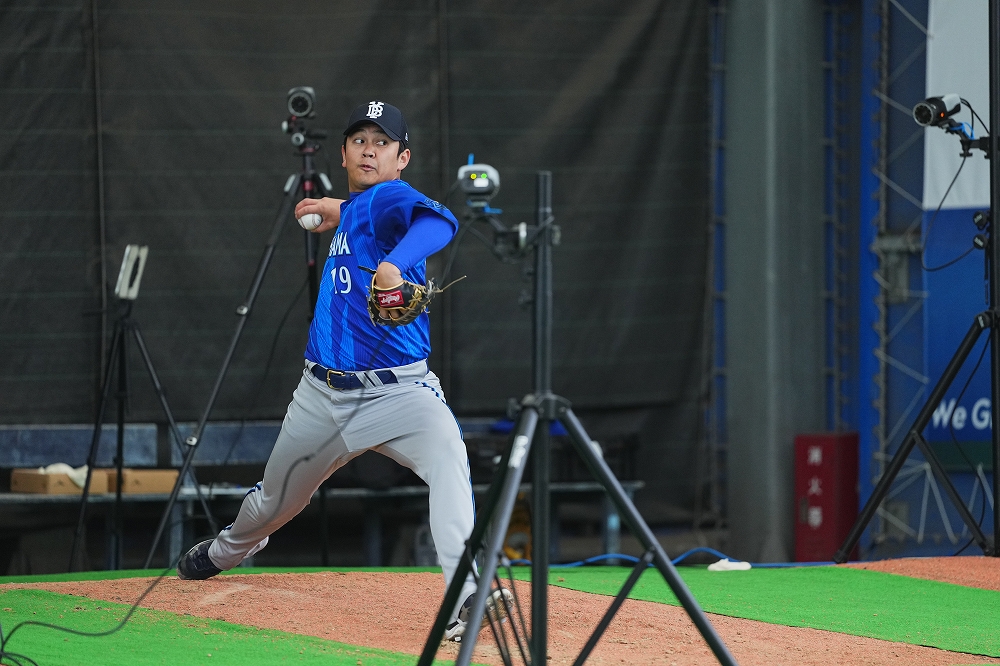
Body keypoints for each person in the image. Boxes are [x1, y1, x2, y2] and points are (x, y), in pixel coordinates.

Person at [176, 100, 507, 641]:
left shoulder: (389, 197)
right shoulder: (360, 208)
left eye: (382, 142)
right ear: (345, 153)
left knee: (450, 461)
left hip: (400, 395)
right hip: (320, 397)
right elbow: (361, 210)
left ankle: (466, 594)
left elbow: (439, 220)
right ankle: (227, 550)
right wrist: (338, 208)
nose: (369, 150)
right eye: (360, 140)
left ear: (402, 158)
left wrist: (392, 264)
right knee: (272, 505)